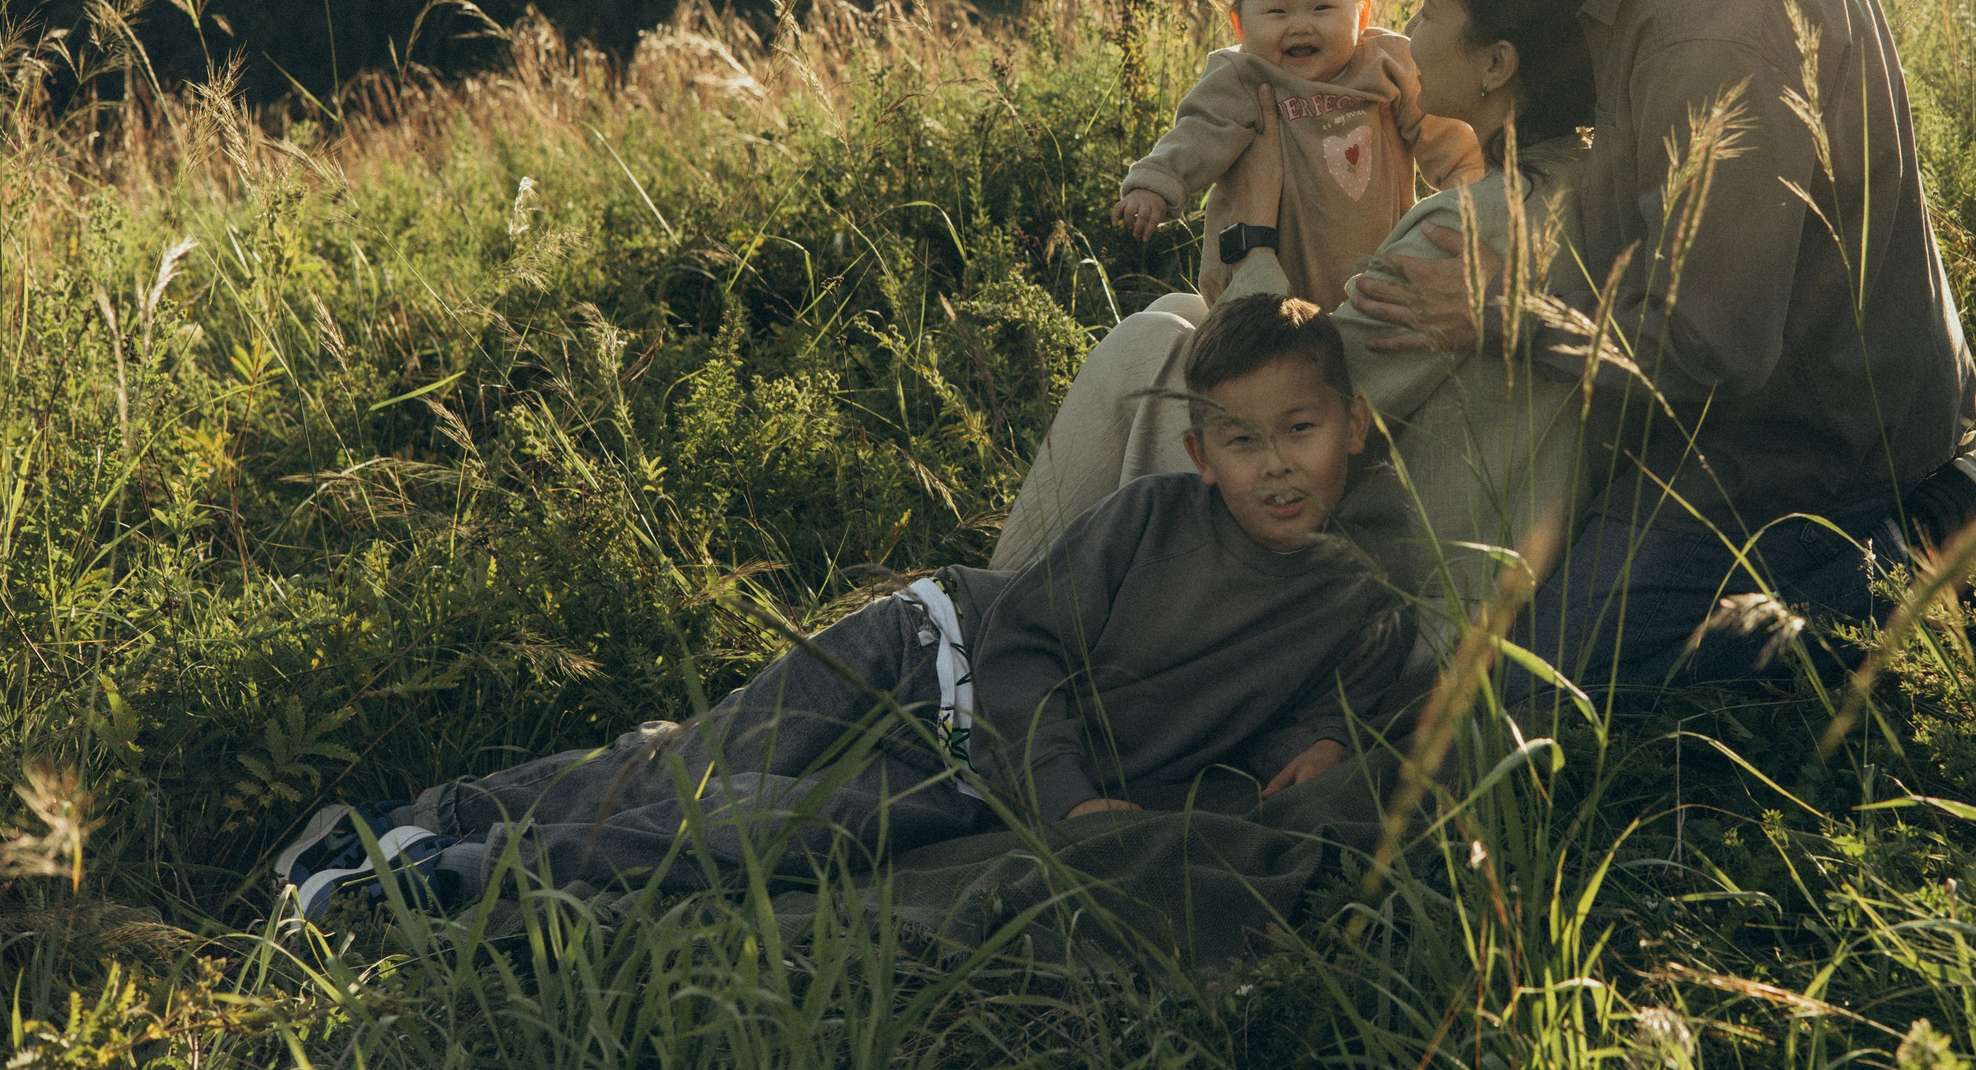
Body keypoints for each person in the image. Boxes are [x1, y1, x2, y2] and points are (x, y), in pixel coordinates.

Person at [270, 294, 1414, 922]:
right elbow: (1028, 649)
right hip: (929, 658)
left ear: (1352, 427)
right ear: (1201, 452)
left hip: (969, 783)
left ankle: (442, 878)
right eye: (1243, 441)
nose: (1275, 466)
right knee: (705, 763)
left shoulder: (1358, 607)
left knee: (763, 826)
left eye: (1300, 432)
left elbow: (1296, 714)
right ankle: (411, 819)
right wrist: (1068, 805)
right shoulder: (1154, 520)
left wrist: (1306, 751)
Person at [1349, 0, 1976, 697]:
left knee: (1537, 686)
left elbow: (1712, 350)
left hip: (1816, 430)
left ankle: (1937, 569)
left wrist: (1501, 311)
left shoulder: (1710, 38)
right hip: (1836, 368)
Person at [996, 0, 1598, 610]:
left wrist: (1252, 227)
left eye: (1427, 8)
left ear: (1496, 65)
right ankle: (1031, 608)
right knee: (1177, 312)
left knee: (1145, 342)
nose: (1409, 29)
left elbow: (1298, 400)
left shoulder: (1460, 234)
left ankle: (988, 620)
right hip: (1466, 548)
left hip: (1371, 588)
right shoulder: (1587, 188)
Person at [1111, 0, 1479, 308]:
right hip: (1264, 283)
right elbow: (1198, 132)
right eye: (1277, 11)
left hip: (1373, 274)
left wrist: (1469, 181)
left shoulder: (1384, 66)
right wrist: (1154, 185)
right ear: (1240, 27)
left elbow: (1443, 133)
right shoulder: (1243, 77)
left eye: (1322, 8)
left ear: (1361, 13)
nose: (1301, 25)